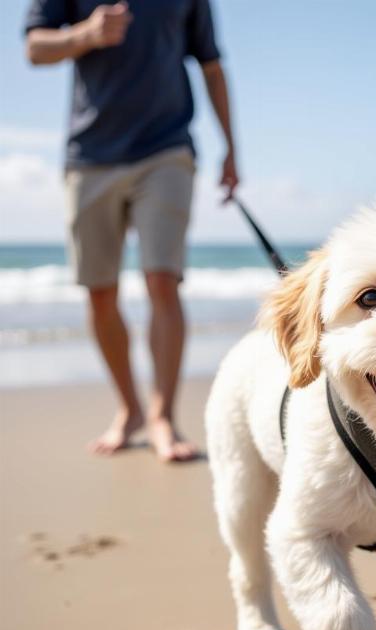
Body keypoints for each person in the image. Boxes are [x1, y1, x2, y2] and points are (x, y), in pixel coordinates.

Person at [24, 1, 238, 461]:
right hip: (89, 155)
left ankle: (163, 416)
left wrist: (231, 148)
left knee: (162, 279)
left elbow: (212, 65)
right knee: (99, 292)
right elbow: (35, 48)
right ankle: (130, 409)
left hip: (166, 149)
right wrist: (85, 33)